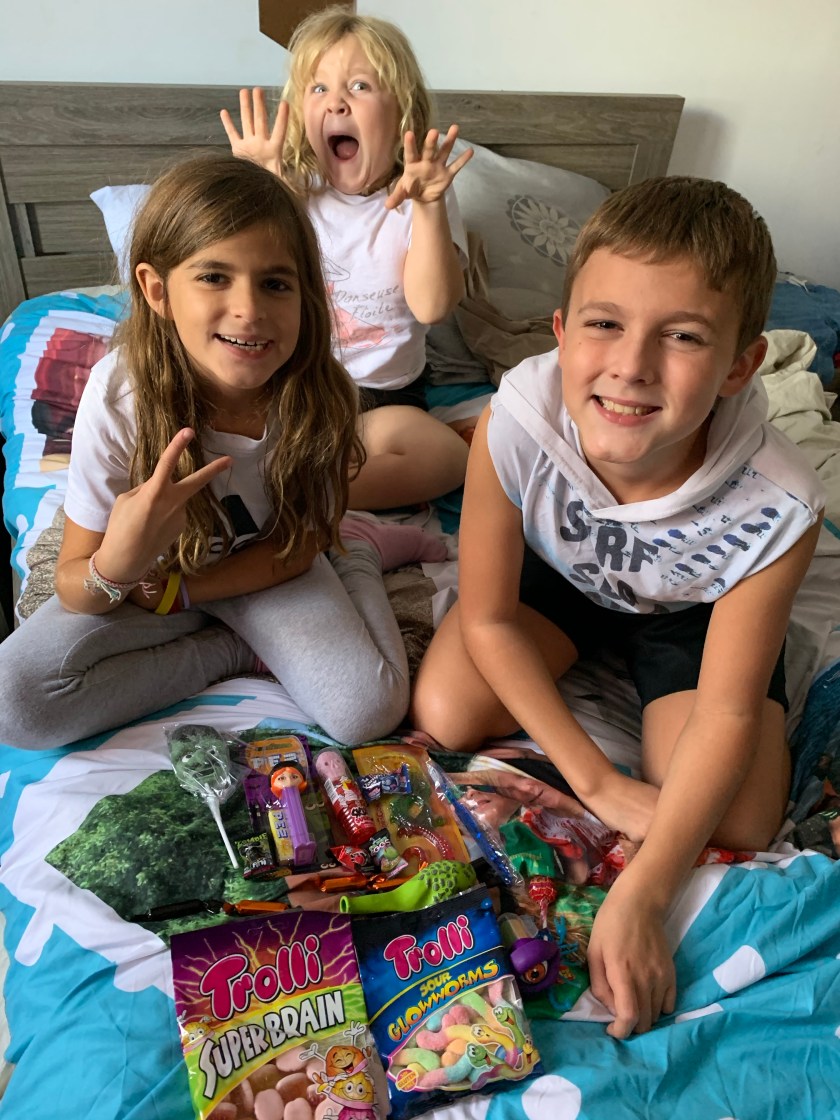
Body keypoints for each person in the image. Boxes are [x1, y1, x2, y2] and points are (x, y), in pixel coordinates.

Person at [410, 176, 825, 1038]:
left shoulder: (779, 502)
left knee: (742, 818)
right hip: (565, 577)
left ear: (741, 365)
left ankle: (763, 643)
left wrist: (645, 890)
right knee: (445, 709)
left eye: (683, 336)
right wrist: (597, 782)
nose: (632, 367)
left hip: (692, 607)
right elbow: (487, 618)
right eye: (605, 324)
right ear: (561, 331)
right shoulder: (516, 419)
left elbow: (726, 713)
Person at [0, 154, 445, 751]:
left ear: (307, 296)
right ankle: (233, 648)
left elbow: (300, 544)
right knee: (16, 702)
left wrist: (184, 594)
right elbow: (76, 582)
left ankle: (358, 548)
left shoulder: (319, 393)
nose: (249, 310)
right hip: (150, 582)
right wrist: (118, 567)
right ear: (157, 290)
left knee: (369, 711)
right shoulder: (119, 396)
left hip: (263, 567)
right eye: (214, 277)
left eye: (276, 284)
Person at [220, 6, 473, 510]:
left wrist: (429, 208)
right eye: (319, 88)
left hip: (382, 400)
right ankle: (286, 481)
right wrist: (261, 188)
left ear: (402, 111)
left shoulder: (423, 200)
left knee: (448, 456)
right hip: (293, 383)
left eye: (359, 86)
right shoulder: (293, 193)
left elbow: (432, 307)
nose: (336, 102)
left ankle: (294, 495)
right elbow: (242, 291)